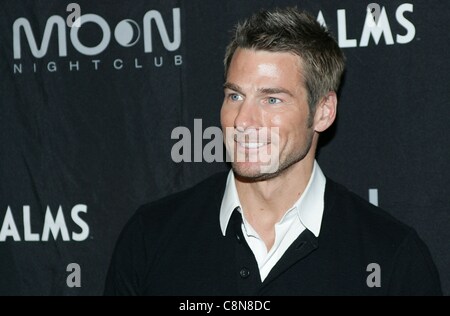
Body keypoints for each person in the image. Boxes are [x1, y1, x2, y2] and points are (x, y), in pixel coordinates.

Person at [104, 7, 442, 295]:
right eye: (235, 96)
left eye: (272, 99)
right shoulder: (152, 236)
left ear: (323, 111)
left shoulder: (391, 257)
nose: (243, 120)